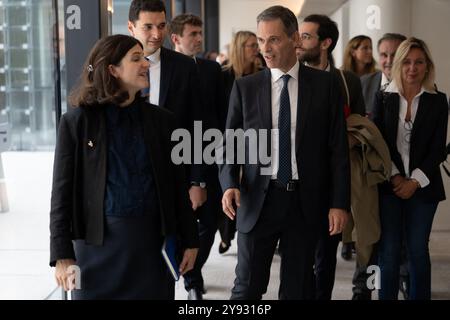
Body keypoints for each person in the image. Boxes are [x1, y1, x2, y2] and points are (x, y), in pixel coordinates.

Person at [49, 34, 199, 300]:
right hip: (95, 253)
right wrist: (61, 254)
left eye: (144, 58)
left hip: (152, 251)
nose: (146, 64)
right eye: (136, 58)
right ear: (112, 69)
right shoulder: (76, 123)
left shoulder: (163, 122)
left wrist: (190, 240)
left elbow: (178, 187)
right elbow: (61, 195)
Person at [219, 6, 350, 300]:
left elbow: (338, 150)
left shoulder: (325, 85)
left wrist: (339, 203)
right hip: (258, 201)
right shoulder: (245, 88)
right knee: (246, 288)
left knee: (298, 289)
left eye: (274, 40)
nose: (265, 48)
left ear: (295, 39)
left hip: (304, 204)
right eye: (261, 40)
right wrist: (228, 184)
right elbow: (230, 143)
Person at [372, 37, 448, 300]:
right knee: (389, 252)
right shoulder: (382, 98)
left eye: (419, 62)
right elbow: (377, 144)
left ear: (428, 66)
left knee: (418, 251)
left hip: (424, 187)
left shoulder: (438, 101)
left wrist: (413, 181)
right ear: (397, 64)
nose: (412, 68)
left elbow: (438, 148)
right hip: (388, 186)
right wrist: (395, 177)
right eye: (407, 62)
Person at [296, 14, 365, 300]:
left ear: (325, 43)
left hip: (332, 183)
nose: (299, 42)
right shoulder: (291, 77)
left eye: (306, 37)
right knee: (299, 257)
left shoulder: (346, 81)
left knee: (326, 255)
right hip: (296, 183)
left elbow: (361, 125)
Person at [127, 0, 207, 213]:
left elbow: (197, 124)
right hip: (128, 177)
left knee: (177, 244)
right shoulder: (116, 66)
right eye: (148, 27)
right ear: (131, 27)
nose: (156, 34)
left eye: (162, 26)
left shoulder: (185, 66)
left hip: (174, 175)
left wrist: (197, 182)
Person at [169, 13, 223, 300]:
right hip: (173, 161)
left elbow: (216, 117)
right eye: (193, 34)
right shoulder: (162, 70)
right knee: (180, 222)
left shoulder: (211, 70)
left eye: (201, 33)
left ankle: (188, 268)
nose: (199, 39)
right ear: (176, 38)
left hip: (206, 157)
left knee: (210, 224)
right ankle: (191, 277)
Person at [218, 30, 263, 255]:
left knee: (248, 189)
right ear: (238, 48)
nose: (256, 49)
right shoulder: (224, 76)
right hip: (228, 140)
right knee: (230, 184)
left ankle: (241, 230)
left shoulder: (263, 74)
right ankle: (227, 233)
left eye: (257, 45)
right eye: (251, 45)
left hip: (257, 144)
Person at [361, 33, 407, 116]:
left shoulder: (417, 86)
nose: (389, 61)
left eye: (395, 55)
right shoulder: (363, 83)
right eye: (384, 55)